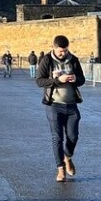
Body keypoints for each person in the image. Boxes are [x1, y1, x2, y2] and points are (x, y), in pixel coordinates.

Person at [36, 35, 86, 182]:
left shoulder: (74, 60)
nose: (62, 54)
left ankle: (67, 157)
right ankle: (60, 169)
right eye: (60, 51)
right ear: (53, 47)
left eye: (65, 51)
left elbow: (82, 79)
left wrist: (76, 79)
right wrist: (58, 80)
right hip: (54, 104)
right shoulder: (46, 60)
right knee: (57, 137)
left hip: (71, 104)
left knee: (73, 136)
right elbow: (39, 81)